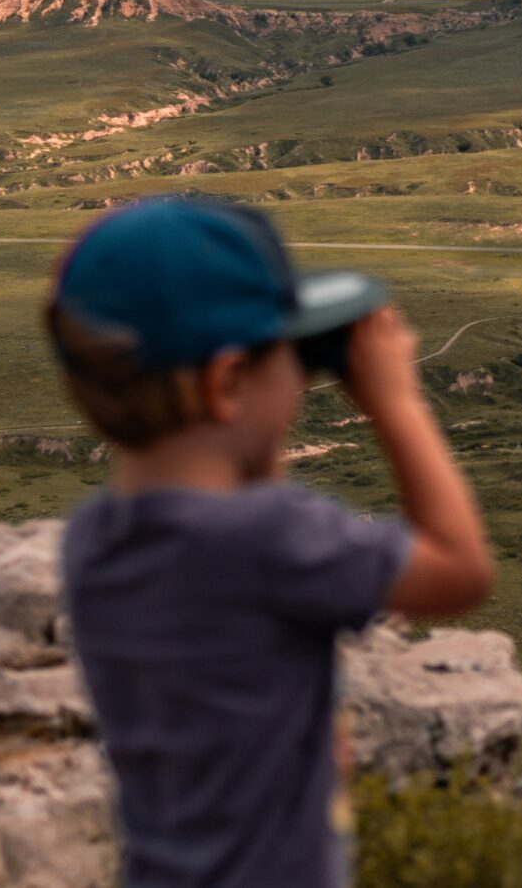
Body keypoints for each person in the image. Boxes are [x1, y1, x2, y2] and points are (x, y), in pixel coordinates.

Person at [48, 197, 493, 888]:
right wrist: (397, 402)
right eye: (291, 355)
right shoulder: (269, 536)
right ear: (227, 382)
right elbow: (461, 569)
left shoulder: (92, 540)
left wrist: (258, 418)